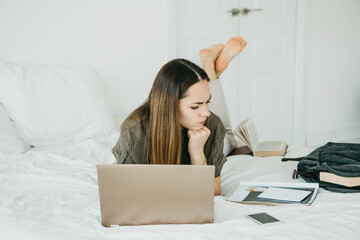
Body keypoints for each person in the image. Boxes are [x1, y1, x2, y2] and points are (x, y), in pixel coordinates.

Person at [112, 37, 247, 196]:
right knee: (227, 135)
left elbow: (214, 191)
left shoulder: (213, 125)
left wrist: (197, 155)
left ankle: (210, 70)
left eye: (208, 102)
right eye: (195, 106)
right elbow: (125, 192)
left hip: (209, 135)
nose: (206, 112)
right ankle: (210, 69)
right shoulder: (134, 132)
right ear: (169, 104)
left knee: (228, 136)